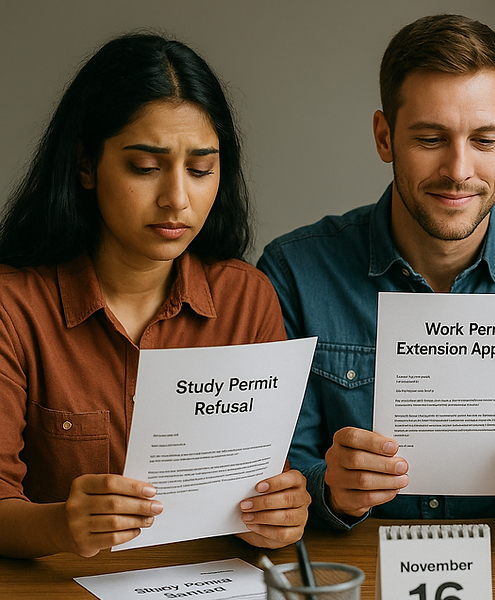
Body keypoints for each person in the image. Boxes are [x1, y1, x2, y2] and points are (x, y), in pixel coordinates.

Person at [258, 14, 495, 530]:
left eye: (484, 141)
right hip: (357, 569)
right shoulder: (293, 271)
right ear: (385, 137)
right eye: (431, 139)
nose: (458, 169)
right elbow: (272, 466)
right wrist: (328, 488)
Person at [0, 33, 310, 559]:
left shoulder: (246, 299)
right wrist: (62, 525)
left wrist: (278, 515)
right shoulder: (14, 306)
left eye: (200, 169)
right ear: (84, 165)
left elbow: (260, 489)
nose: (176, 198)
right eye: (145, 167)